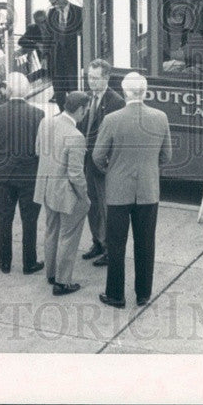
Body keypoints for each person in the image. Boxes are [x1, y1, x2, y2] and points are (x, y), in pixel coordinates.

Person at [93, 72, 172, 308]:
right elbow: (166, 155)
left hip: (118, 190)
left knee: (116, 244)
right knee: (145, 243)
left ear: (125, 92)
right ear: (145, 92)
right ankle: (143, 294)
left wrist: (112, 169)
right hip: (148, 191)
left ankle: (116, 295)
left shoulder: (112, 119)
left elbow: (97, 156)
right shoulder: (160, 117)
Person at [0, 72, 45, 275]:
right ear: (26, 91)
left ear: (8, 90)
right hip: (28, 176)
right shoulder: (38, 114)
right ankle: (29, 262)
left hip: (3, 175)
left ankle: (5, 262)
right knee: (29, 220)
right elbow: (41, 149)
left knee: (4, 218)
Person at [33, 91, 90, 296]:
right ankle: (62, 282)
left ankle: (50, 274)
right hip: (66, 194)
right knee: (69, 236)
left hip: (46, 189)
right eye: (86, 110)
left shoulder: (45, 123)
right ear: (81, 109)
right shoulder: (76, 137)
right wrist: (84, 197)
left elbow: (38, 151)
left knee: (51, 230)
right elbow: (75, 175)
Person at [75, 59, 124, 266]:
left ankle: (109, 249)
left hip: (103, 164)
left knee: (105, 208)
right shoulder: (86, 98)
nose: (91, 82)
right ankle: (97, 241)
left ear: (106, 78)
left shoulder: (116, 102)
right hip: (86, 160)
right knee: (91, 205)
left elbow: (115, 137)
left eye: (95, 78)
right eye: (89, 78)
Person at [46, 0, 82, 111]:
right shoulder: (51, 13)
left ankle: (75, 113)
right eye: (51, 3)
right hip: (57, 59)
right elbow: (48, 36)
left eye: (54, 2)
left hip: (74, 58)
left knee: (74, 87)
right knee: (59, 88)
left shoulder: (79, 12)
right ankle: (62, 111)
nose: (53, 5)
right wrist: (46, 57)